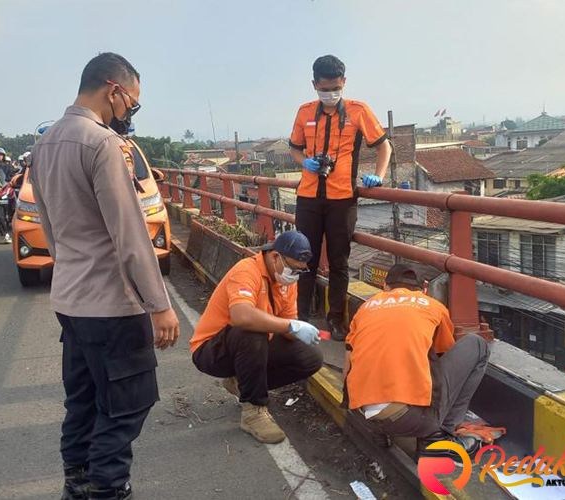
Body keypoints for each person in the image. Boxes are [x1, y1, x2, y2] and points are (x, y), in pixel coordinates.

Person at [30, 52, 179, 500]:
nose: (129, 113)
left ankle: (76, 485)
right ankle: (107, 490)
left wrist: (71, 271)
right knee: (124, 408)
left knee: (82, 402)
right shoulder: (101, 144)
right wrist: (161, 306)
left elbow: (50, 230)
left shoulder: (46, 143)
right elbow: (131, 236)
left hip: (71, 302)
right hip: (113, 307)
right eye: (131, 103)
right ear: (113, 90)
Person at [342, 263, 490, 463]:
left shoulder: (366, 307)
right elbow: (442, 353)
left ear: (385, 286)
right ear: (423, 289)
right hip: (408, 420)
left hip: (361, 412)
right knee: (478, 345)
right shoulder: (433, 306)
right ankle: (437, 438)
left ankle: (380, 427)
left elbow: (348, 362)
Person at [289, 55, 392, 341]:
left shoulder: (359, 111)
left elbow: (385, 147)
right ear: (314, 85)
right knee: (303, 258)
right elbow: (295, 148)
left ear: (344, 83)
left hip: (342, 199)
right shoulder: (304, 112)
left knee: (339, 261)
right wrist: (305, 162)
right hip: (308, 196)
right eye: (324, 88)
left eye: (335, 87)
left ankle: (336, 319)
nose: (330, 93)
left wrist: (378, 176)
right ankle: (300, 318)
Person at [191, 231, 324, 444]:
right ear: (274, 257)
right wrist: (290, 325)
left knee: (310, 356)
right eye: (292, 269)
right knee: (252, 330)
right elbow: (241, 316)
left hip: (252, 347)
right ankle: (254, 411)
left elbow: (288, 328)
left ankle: (243, 384)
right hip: (212, 350)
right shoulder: (246, 270)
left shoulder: (287, 284)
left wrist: (300, 331)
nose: (294, 276)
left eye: (300, 271)